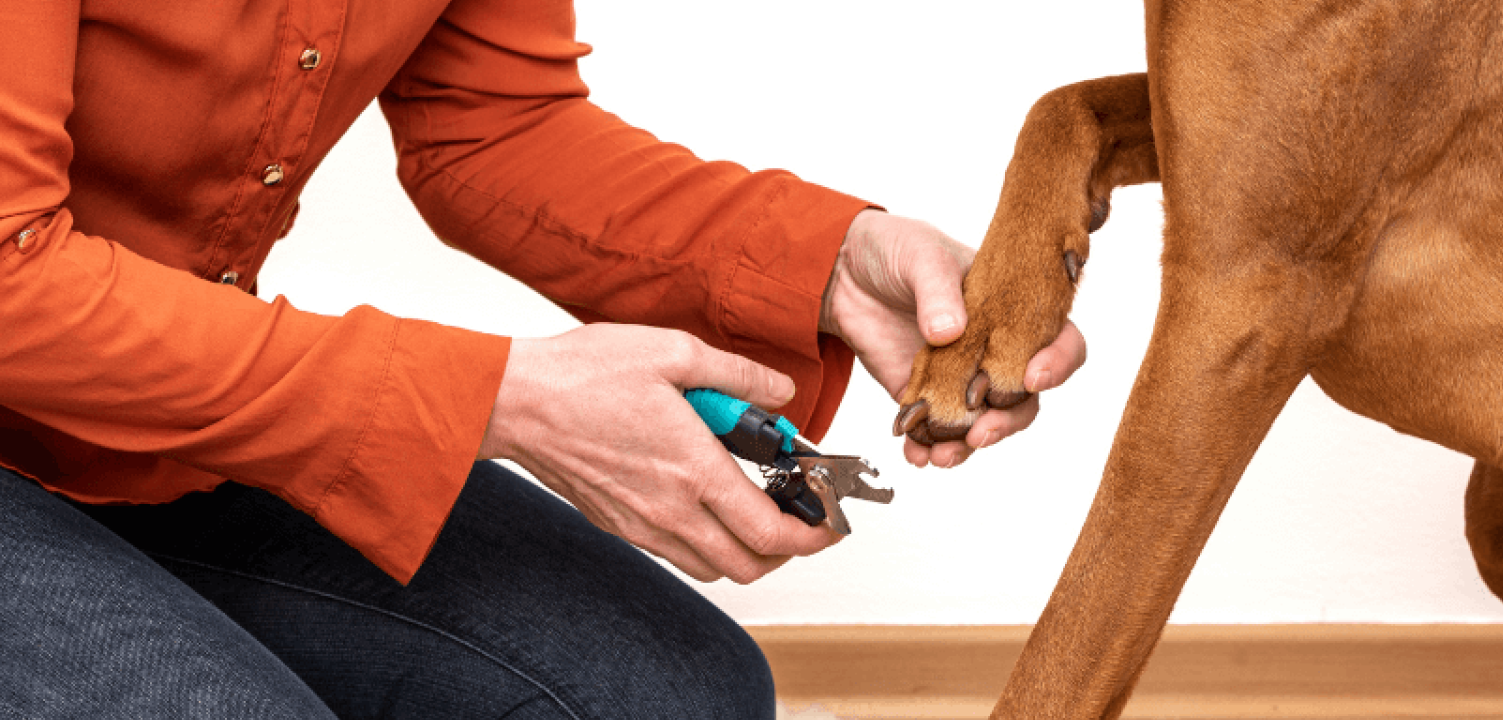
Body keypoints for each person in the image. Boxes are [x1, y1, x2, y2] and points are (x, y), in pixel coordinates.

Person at [0, 0, 1086, 717]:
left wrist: (828, 264)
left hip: (162, 426)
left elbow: (490, 127)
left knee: (675, 696)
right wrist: (497, 400)